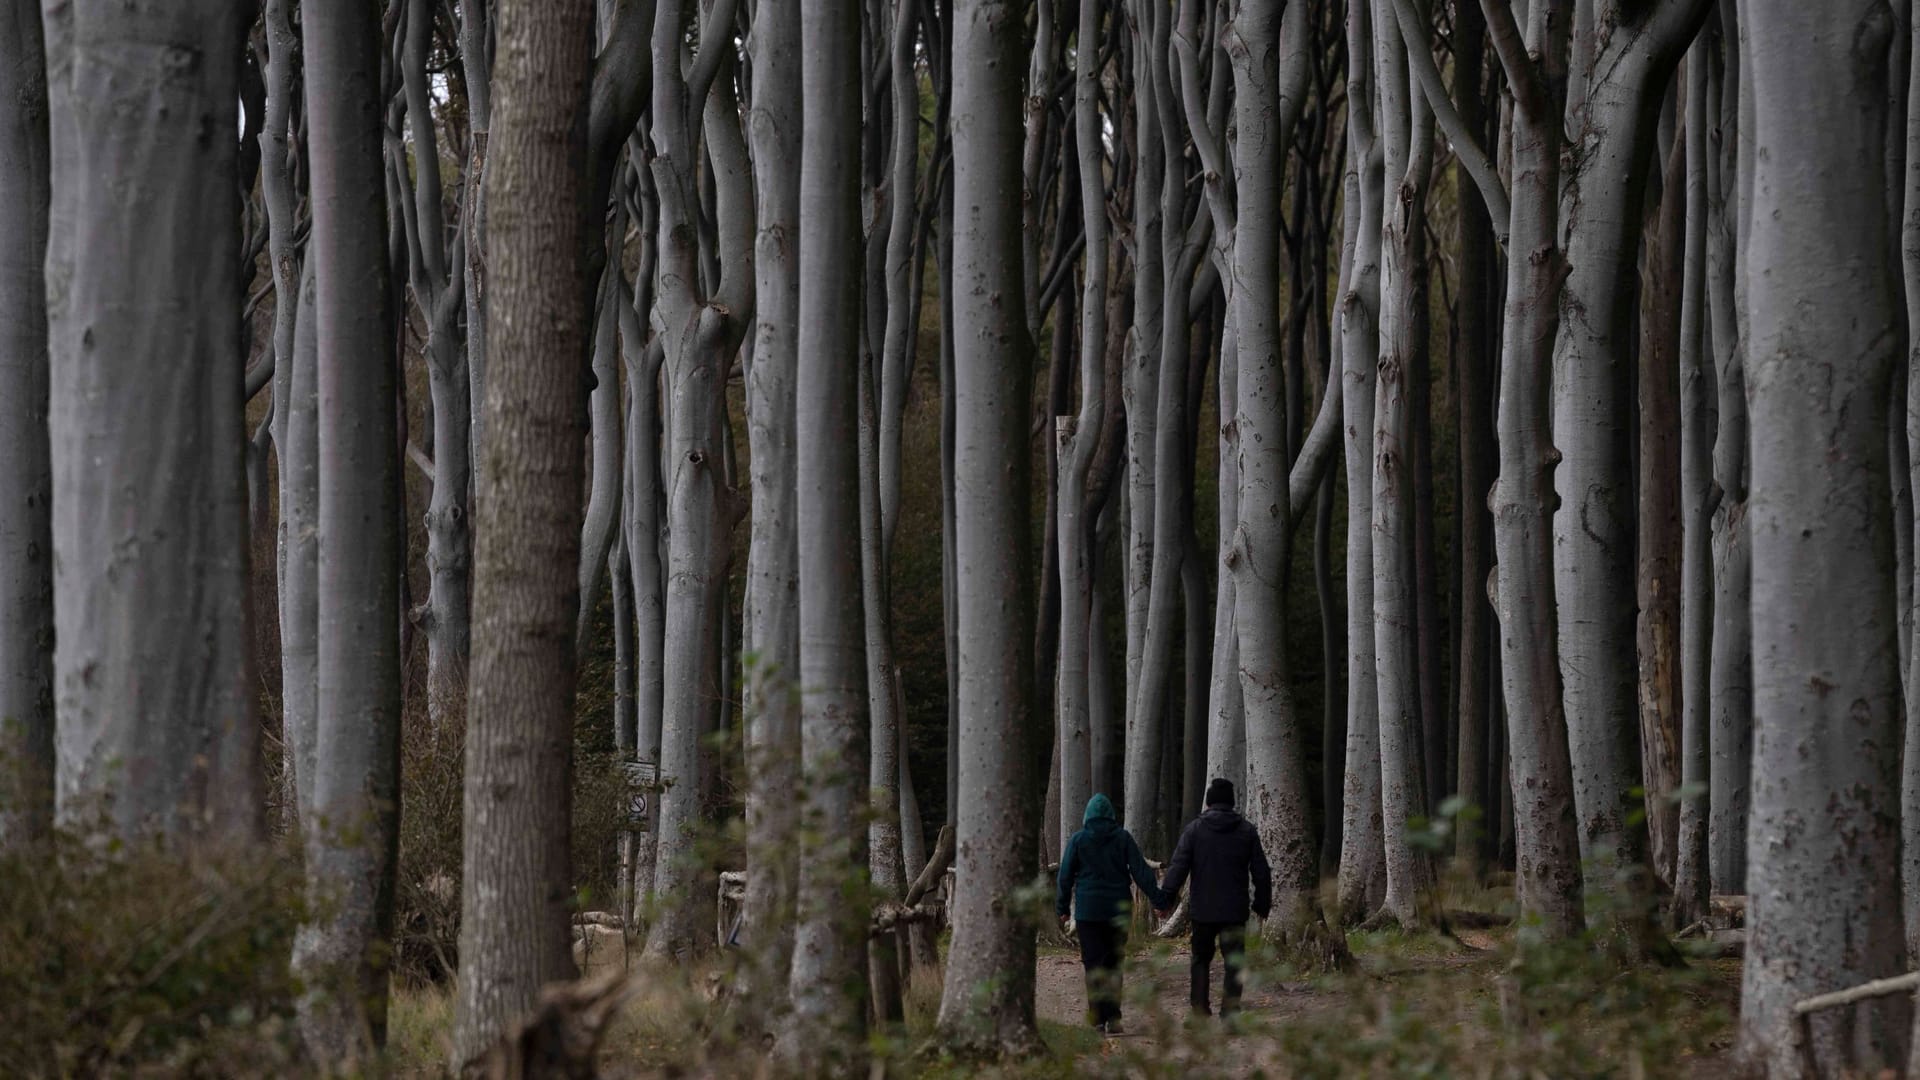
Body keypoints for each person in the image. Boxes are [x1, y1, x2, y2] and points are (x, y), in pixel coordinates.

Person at [1157, 778, 1272, 1018]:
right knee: (1234, 962)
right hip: (1234, 910)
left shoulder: (1194, 830)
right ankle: (1230, 1013)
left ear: (1209, 802)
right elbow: (1261, 871)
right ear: (1232, 802)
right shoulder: (1247, 830)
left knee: (1200, 960)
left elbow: (1179, 866)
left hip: (1203, 910)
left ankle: (1199, 1011)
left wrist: (1166, 898)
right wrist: (1262, 903)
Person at [1056, 792, 1167, 1035]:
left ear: (1087, 816)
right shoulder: (1123, 839)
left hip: (1088, 912)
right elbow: (1141, 872)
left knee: (1093, 964)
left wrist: (1062, 908)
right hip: (1118, 911)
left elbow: (1064, 876)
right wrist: (1159, 900)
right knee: (1114, 963)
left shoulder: (1078, 840)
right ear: (1110, 816)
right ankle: (1113, 1018)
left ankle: (1097, 1018)